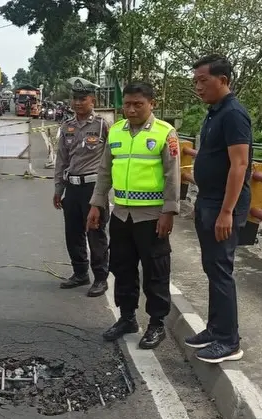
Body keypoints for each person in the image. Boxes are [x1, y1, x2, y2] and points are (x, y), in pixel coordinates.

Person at [87, 81, 181, 350]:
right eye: (127, 104)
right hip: (121, 215)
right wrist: (97, 203)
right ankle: (127, 318)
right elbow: (105, 171)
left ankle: (156, 323)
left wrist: (169, 211)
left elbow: (172, 176)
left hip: (152, 217)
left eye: (138, 104)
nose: (131, 109)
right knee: (122, 267)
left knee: (156, 271)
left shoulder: (165, 133)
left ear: (152, 104)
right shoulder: (116, 131)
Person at [182, 54, 253, 364]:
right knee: (212, 267)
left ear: (223, 80)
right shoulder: (214, 112)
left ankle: (229, 340)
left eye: (203, 81)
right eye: (195, 81)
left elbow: (240, 164)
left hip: (222, 205)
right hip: (208, 200)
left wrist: (227, 211)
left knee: (221, 269)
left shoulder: (234, 114)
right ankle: (215, 328)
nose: (198, 87)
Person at [53, 79, 110, 297]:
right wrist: (58, 189)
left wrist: (104, 192)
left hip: (93, 188)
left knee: (95, 233)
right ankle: (80, 273)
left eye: (82, 99)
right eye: (75, 98)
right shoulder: (67, 126)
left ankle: (101, 278)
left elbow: (111, 157)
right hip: (72, 187)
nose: (77, 103)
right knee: (73, 233)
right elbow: (61, 160)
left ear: (92, 100)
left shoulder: (103, 125)